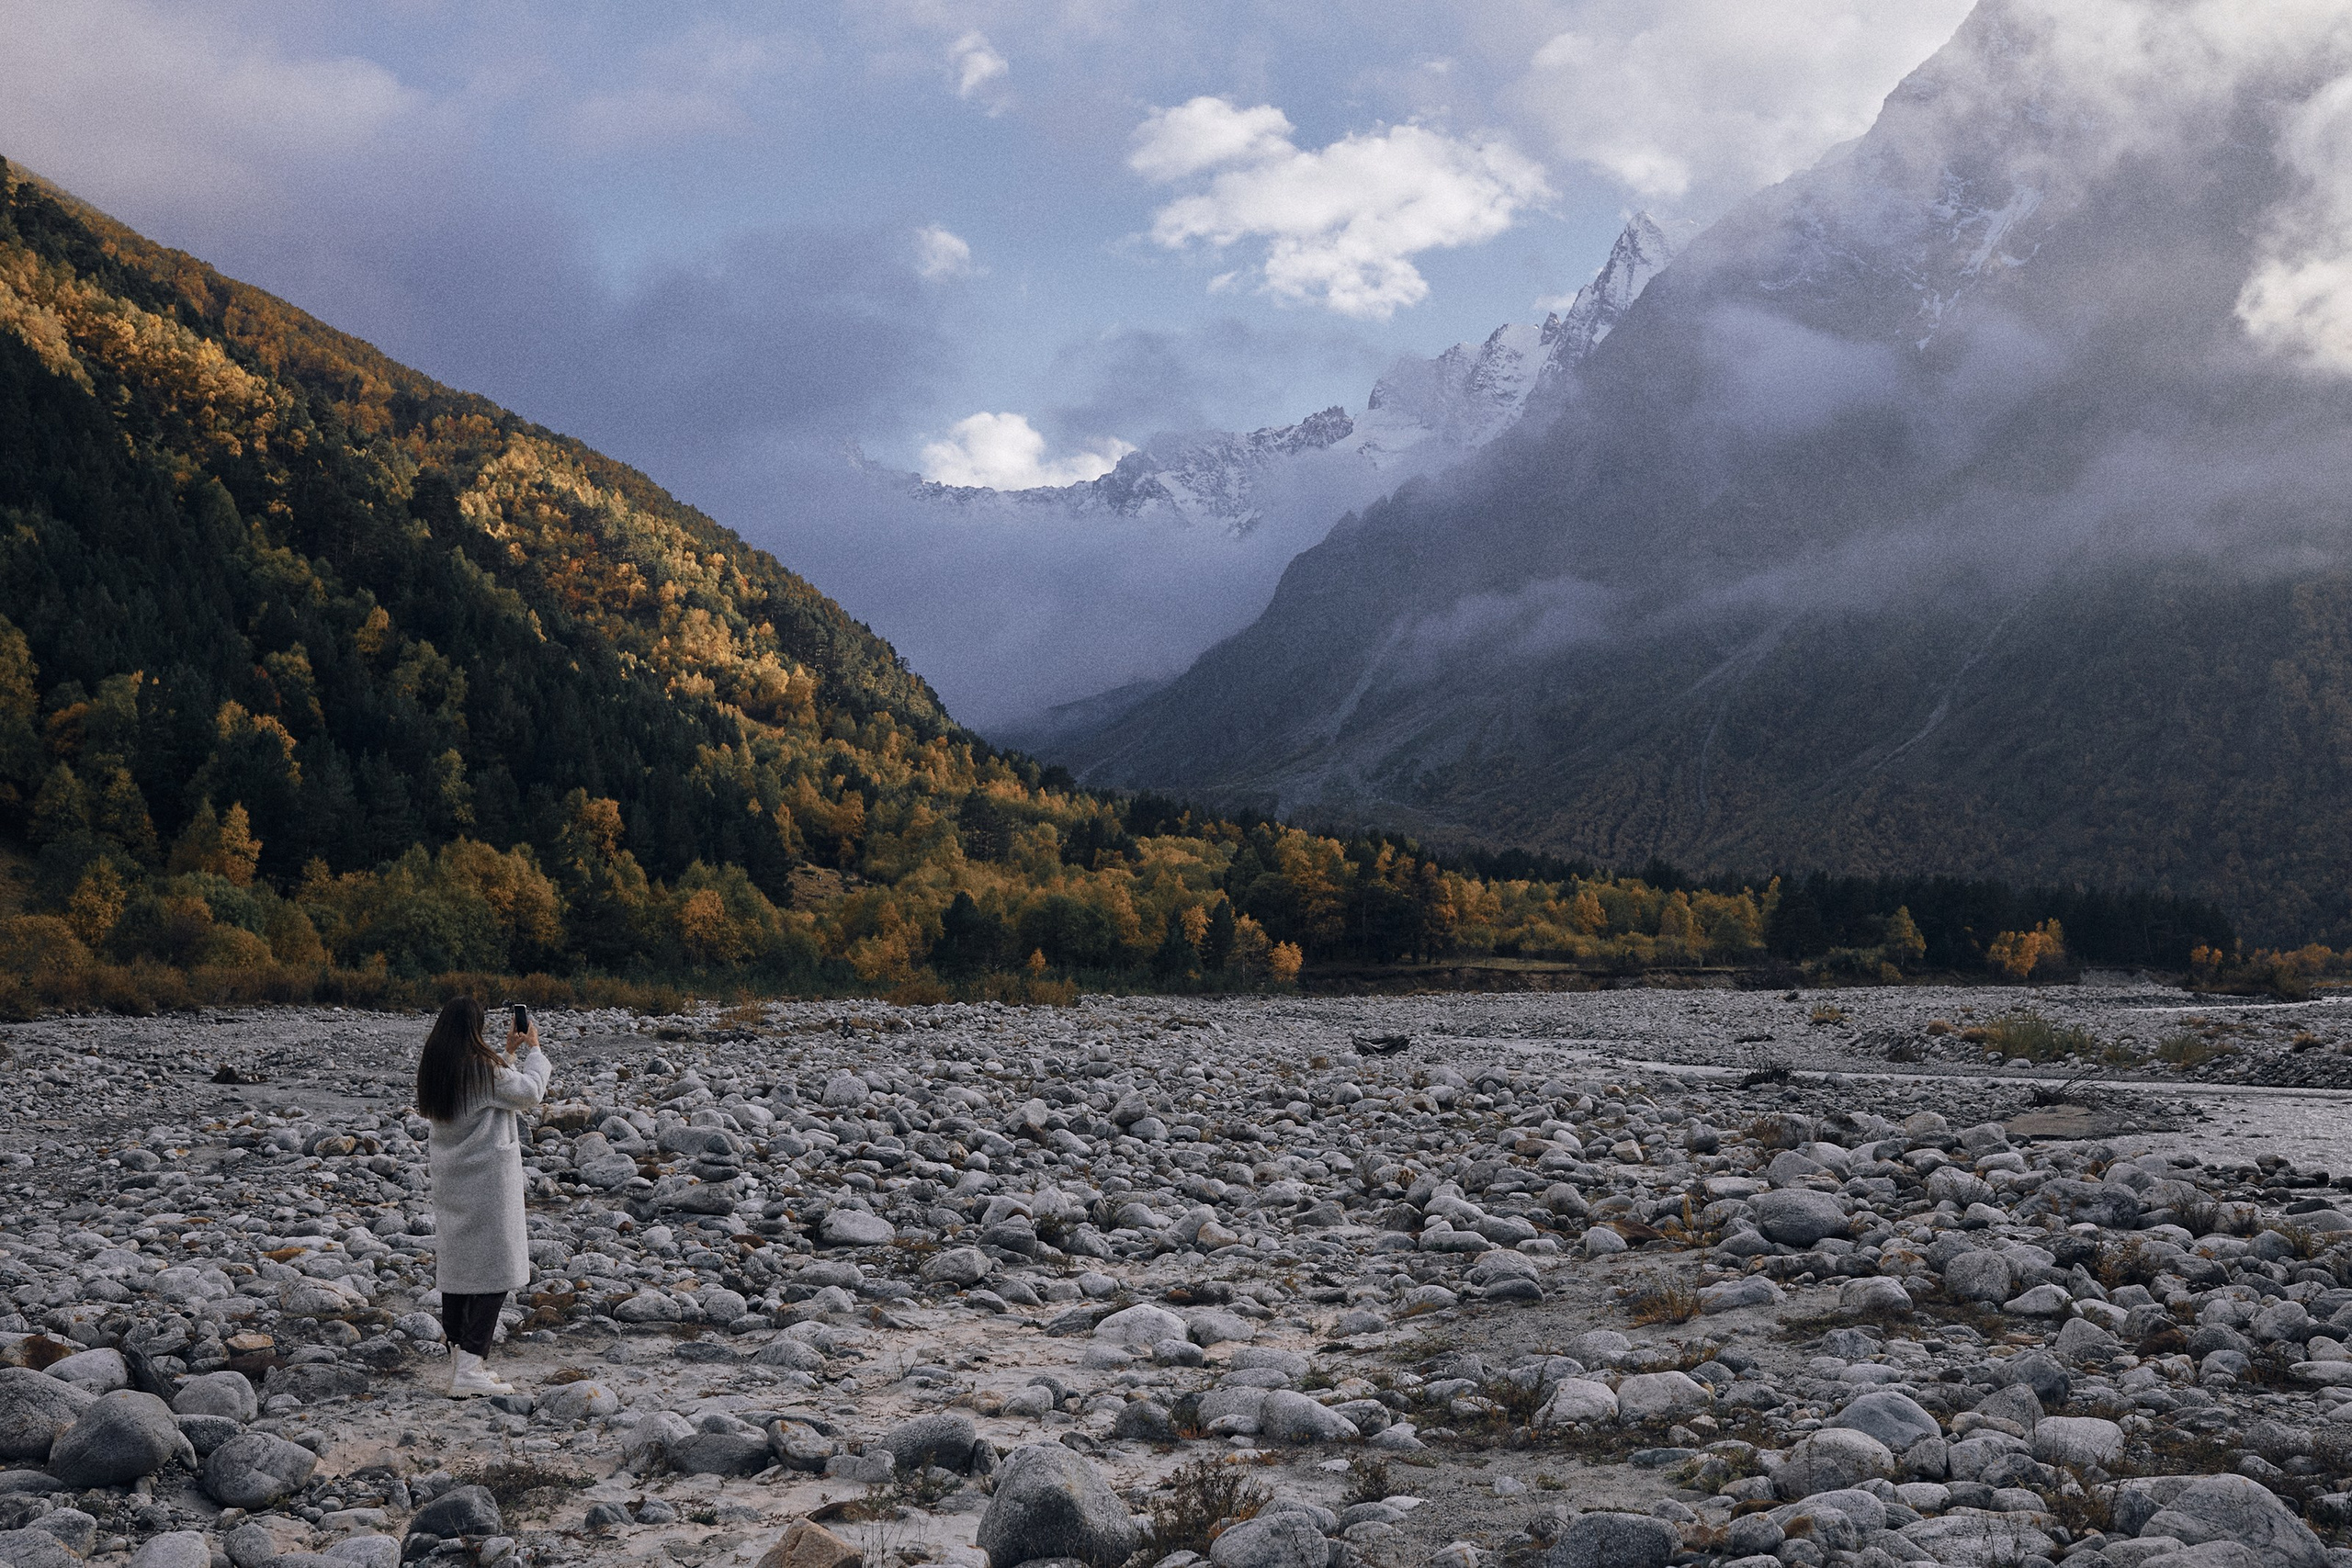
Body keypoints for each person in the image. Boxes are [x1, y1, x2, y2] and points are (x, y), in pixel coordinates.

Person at [413, 997, 548, 1397]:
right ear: (473, 1027)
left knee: (458, 1273)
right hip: (487, 1182)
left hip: (454, 1181)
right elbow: (528, 1092)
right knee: (495, 1270)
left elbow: (488, 1091)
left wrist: (507, 1051)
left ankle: (461, 1363)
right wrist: (534, 1050)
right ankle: (472, 1364)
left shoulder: (439, 1067)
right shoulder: (481, 1068)